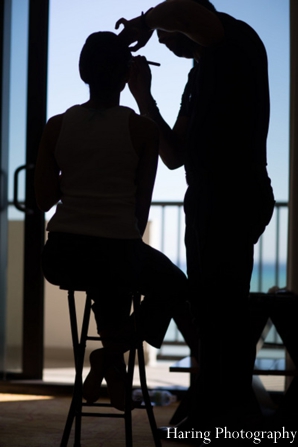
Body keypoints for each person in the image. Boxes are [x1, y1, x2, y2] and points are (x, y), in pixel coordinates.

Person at [116, 0, 275, 430]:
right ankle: (221, 405)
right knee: (210, 305)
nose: (164, 43)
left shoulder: (236, 41)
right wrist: (144, 97)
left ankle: (228, 410)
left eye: (169, 35)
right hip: (206, 200)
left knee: (221, 304)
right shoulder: (196, 77)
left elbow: (185, 16)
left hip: (234, 195)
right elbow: (174, 155)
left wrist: (147, 23)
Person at [34, 31, 187, 411]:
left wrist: (76, 173)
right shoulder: (142, 129)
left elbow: (43, 199)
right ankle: (110, 355)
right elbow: (139, 214)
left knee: (107, 272)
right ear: (126, 75)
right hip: (117, 251)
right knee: (170, 282)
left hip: (61, 256)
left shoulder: (56, 126)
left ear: (84, 73)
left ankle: (114, 370)